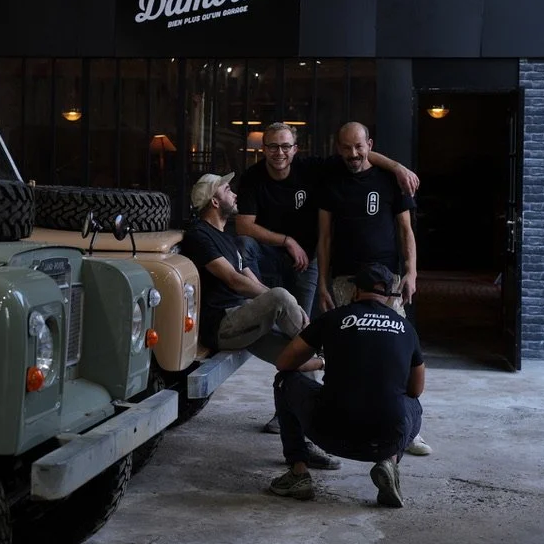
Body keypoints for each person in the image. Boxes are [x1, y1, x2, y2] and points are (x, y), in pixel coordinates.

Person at [235, 121, 420, 434]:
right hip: (275, 264)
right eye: (272, 146)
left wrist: (397, 167)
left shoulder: (314, 169)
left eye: (285, 146)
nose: (279, 153)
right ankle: (298, 410)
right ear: (262, 149)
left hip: (314, 264)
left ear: (295, 149)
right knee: (305, 335)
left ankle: (397, 418)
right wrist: (289, 244)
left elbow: (359, 155)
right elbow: (245, 226)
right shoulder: (256, 177)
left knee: (310, 334)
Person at [179, 171, 340, 470]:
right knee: (281, 298)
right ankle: (327, 350)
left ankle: (303, 447)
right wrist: (281, 302)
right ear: (214, 200)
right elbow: (235, 281)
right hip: (224, 325)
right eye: (227, 189)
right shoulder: (199, 235)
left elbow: (251, 280)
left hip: (246, 320)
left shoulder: (228, 238)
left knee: (296, 361)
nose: (234, 193)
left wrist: (282, 305)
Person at [267, 263, 426, 508]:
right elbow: (416, 389)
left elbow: (284, 363)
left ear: (355, 291)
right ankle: (389, 462)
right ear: (388, 295)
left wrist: (323, 362)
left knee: (283, 381)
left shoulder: (332, 318)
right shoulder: (406, 328)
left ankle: (298, 473)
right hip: (384, 442)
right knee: (413, 404)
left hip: (329, 434)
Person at [316, 121, 431, 456]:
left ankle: (408, 429)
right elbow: (325, 238)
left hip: (388, 280)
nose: (353, 154)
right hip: (345, 280)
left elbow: (406, 231)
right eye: (346, 147)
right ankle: (340, 426)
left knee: (396, 353)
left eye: (359, 146)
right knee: (346, 353)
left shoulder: (391, 179)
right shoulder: (331, 180)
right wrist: (322, 283)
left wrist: (411, 273)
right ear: (338, 148)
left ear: (370, 144)